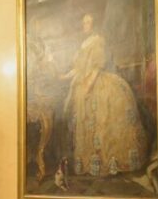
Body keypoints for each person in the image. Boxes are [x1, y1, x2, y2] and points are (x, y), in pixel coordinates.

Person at [60, 13, 149, 177]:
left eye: (89, 22)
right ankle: (92, 160)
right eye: (84, 22)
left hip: (96, 82)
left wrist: (89, 85)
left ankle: (105, 160)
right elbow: (78, 68)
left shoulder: (97, 41)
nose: (85, 25)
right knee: (86, 123)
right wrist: (64, 76)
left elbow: (96, 67)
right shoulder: (83, 44)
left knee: (103, 121)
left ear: (94, 24)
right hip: (83, 82)